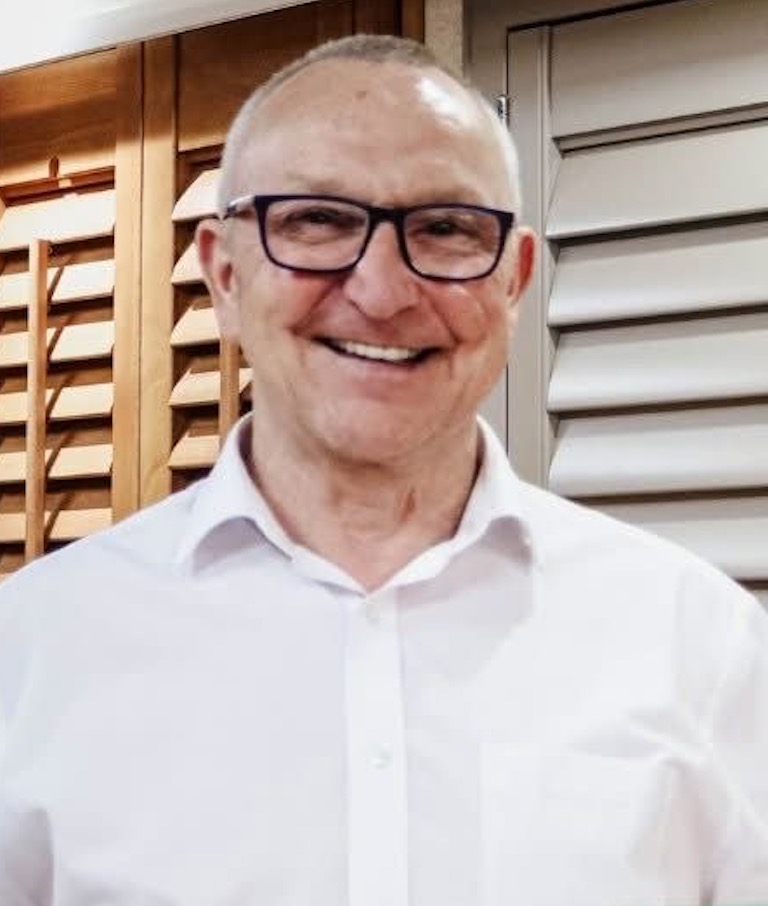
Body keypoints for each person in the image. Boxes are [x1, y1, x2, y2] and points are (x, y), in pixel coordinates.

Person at [1, 32, 767, 906]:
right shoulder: (32, 655)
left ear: (514, 280)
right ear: (223, 274)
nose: (381, 290)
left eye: (444, 229)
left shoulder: (701, 646)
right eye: (317, 221)